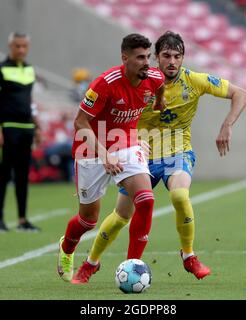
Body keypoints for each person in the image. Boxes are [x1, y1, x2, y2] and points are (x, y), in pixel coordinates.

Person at [73, 31, 246, 284]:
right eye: (166, 55)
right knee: (120, 217)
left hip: (178, 151)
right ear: (156, 58)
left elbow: (241, 94)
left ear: (183, 58)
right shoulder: (142, 81)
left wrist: (227, 125)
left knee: (179, 195)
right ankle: (91, 263)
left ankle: (189, 256)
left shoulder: (195, 81)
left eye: (177, 56)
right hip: (140, 155)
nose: (172, 62)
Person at [56, 33, 165, 283]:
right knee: (87, 220)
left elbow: (160, 88)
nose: (146, 62)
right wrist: (104, 155)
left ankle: (133, 266)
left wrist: (160, 101)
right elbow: (80, 123)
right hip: (92, 149)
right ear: (124, 58)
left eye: (148, 57)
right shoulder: (104, 83)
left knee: (146, 200)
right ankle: (67, 248)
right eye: (140, 58)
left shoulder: (154, 77)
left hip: (126, 143)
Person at [0, 32, 42, 232]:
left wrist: (37, 125)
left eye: (24, 46)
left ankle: (22, 220)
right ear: (10, 46)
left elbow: (29, 100)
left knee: (22, 175)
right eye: (17, 46)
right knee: (3, 174)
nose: (21, 49)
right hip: (7, 128)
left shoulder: (29, 70)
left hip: (26, 129)